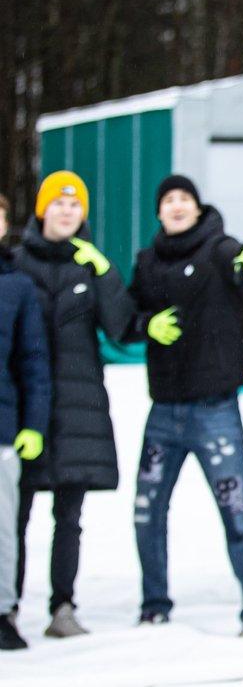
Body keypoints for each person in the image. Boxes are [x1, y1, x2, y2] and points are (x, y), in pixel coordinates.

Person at [128, 174, 243, 636]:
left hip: (216, 412)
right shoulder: (147, 261)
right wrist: (146, 324)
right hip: (164, 412)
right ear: (159, 211)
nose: (176, 205)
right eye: (168, 199)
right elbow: (126, 316)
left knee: (238, 515)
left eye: (184, 198)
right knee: (146, 511)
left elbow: (242, 260)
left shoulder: (218, 247)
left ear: (196, 206)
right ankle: (154, 602)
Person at [12, 171, 135, 638]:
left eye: (75, 204)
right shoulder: (17, 262)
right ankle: (9, 603)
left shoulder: (92, 265)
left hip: (79, 406)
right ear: (42, 209)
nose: (67, 211)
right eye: (58, 203)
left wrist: (104, 272)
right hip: (28, 408)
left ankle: (62, 607)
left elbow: (120, 326)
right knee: (14, 515)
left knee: (69, 517)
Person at [0, 195, 51, 650]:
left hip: (2, 429)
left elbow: (33, 360)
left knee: (3, 528)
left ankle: (2, 612)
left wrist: (32, 424)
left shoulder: (16, 286)